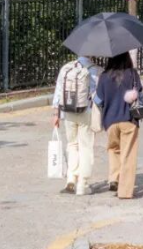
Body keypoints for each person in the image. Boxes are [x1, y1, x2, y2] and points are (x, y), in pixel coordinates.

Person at [96, 51, 143, 199]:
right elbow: (140, 95)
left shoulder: (104, 76)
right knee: (128, 154)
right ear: (127, 58)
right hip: (128, 119)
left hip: (110, 121)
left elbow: (98, 100)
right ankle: (124, 191)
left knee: (113, 149)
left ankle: (114, 178)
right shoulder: (132, 74)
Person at [51, 56, 101, 195]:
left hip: (68, 111)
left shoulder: (66, 68)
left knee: (72, 144)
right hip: (86, 111)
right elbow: (97, 95)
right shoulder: (94, 70)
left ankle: (71, 179)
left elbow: (59, 91)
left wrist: (56, 113)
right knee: (85, 146)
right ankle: (83, 184)